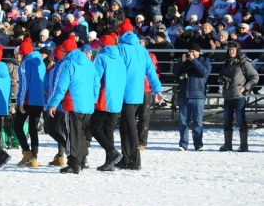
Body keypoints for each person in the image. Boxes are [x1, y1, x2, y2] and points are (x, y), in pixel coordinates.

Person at [116, 31, 164, 170]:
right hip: (139, 94)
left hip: (125, 93)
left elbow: (117, 70)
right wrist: (157, 89)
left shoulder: (121, 49)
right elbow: (151, 71)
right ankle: (126, 158)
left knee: (128, 127)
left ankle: (135, 160)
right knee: (125, 126)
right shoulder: (142, 50)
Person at [47, 45, 98, 174]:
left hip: (73, 104)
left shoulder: (69, 64)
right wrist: (93, 99)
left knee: (72, 135)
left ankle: (73, 163)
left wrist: (53, 104)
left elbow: (61, 87)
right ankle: (81, 160)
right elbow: (96, 84)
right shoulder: (90, 65)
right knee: (81, 134)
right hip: (87, 105)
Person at [90, 38, 127, 171]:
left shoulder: (101, 57)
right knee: (108, 129)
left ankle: (112, 152)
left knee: (94, 127)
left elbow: (95, 77)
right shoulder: (120, 58)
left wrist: (92, 95)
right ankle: (109, 161)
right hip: (117, 98)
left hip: (104, 98)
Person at [218, 42, 259, 152]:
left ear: (237, 51)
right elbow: (220, 75)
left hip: (239, 96)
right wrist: (221, 79)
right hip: (227, 96)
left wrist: (246, 87)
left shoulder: (243, 62)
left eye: (233, 50)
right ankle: (227, 145)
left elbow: (255, 76)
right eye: (230, 50)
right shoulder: (226, 62)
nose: (231, 52)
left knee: (241, 121)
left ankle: (244, 146)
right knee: (227, 121)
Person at [172, 42, 211, 151]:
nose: (191, 53)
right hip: (184, 95)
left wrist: (193, 60)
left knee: (198, 122)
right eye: (189, 51)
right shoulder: (185, 62)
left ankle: (198, 144)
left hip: (198, 96)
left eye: (193, 51)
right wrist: (181, 62)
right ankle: (183, 144)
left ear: (199, 52)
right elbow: (175, 72)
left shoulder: (205, 62)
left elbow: (204, 73)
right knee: (183, 122)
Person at [14, 37, 46, 168]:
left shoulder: (25, 64)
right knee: (33, 129)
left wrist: (20, 102)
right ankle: (34, 158)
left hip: (28, 100)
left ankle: (27, 153)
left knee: (17, 125)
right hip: (39, 100)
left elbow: (24, 85)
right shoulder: (41, 62)